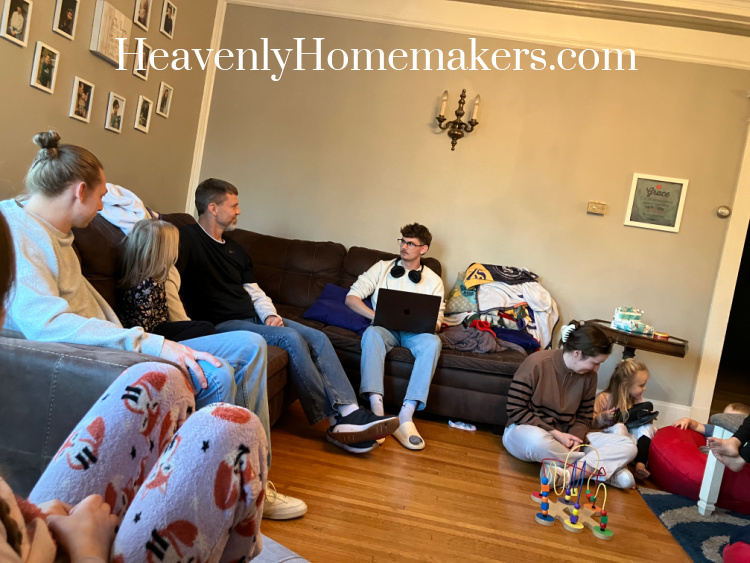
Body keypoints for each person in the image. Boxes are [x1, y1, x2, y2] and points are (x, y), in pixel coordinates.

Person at [0, 131, 305, 520]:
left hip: (115, 347)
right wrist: (151, 343)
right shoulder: (18, 231)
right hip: (96, 360)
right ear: (80, 191)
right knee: (216, 373)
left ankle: (248, 487)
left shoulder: (57, 231)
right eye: (101, 196)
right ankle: (213, 502)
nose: (102, 206)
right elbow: (46, 323)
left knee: (242, 351)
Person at [0, 211, 269, 560]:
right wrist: (86, 548)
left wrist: (36, 516)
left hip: (27, 530)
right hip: (75, 551)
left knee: (161, 380)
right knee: (235, 427)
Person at [176, 178, 399, 455]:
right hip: (223, 324)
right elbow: (164, 271)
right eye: (233, 206)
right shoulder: (185, 238)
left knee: (318, 337)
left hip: (253, 317)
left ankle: (350, 410)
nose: (238, 211)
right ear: (212, 208)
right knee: (291, 338)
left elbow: (254, 291)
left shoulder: (236, 249)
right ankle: (335, 421)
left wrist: (270, 315)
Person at [502, 321, 638, 489]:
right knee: (537, 440)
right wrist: (555, 433)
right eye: (595, 363)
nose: (597, 369)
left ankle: (567, 474)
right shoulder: (536, 363)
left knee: (628, 446)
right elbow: (515, 409)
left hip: (568, 438)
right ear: (577, 353)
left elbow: (584, 417)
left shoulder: (590, 377)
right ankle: (598, 470)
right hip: (526, 432)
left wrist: (576, 440)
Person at [345, 223, 445, 451]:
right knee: (371, 334)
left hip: (415, 333)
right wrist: (377, 316)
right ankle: (377, 411)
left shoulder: (434, 281)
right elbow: (351, 298)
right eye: (402, 241)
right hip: (384, 328)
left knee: (433, 342)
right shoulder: (381, 268)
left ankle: (406, 415)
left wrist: (427, 324)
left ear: (423, 249)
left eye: (411, 243)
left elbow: (438, 321)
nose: (404, 247)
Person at [119, 219, 216, 342]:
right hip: (152, 337)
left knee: (205, 327)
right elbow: (143, 331)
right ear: (164, 251)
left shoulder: (154, 279)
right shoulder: (146, 286)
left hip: (160, 328)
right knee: (205, 328)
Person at [592, 358, 656, 480]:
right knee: (620, 427)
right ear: (626, 386)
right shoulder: (604, 398)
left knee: (648, 427)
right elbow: (590, 425)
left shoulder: (636, 399)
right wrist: (603, 417)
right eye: (641, 385)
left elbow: (636, 427)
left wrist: (646, 418)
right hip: (606, 439)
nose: (645, 388)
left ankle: (640, 464)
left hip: (628, 441)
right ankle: (622, 467)